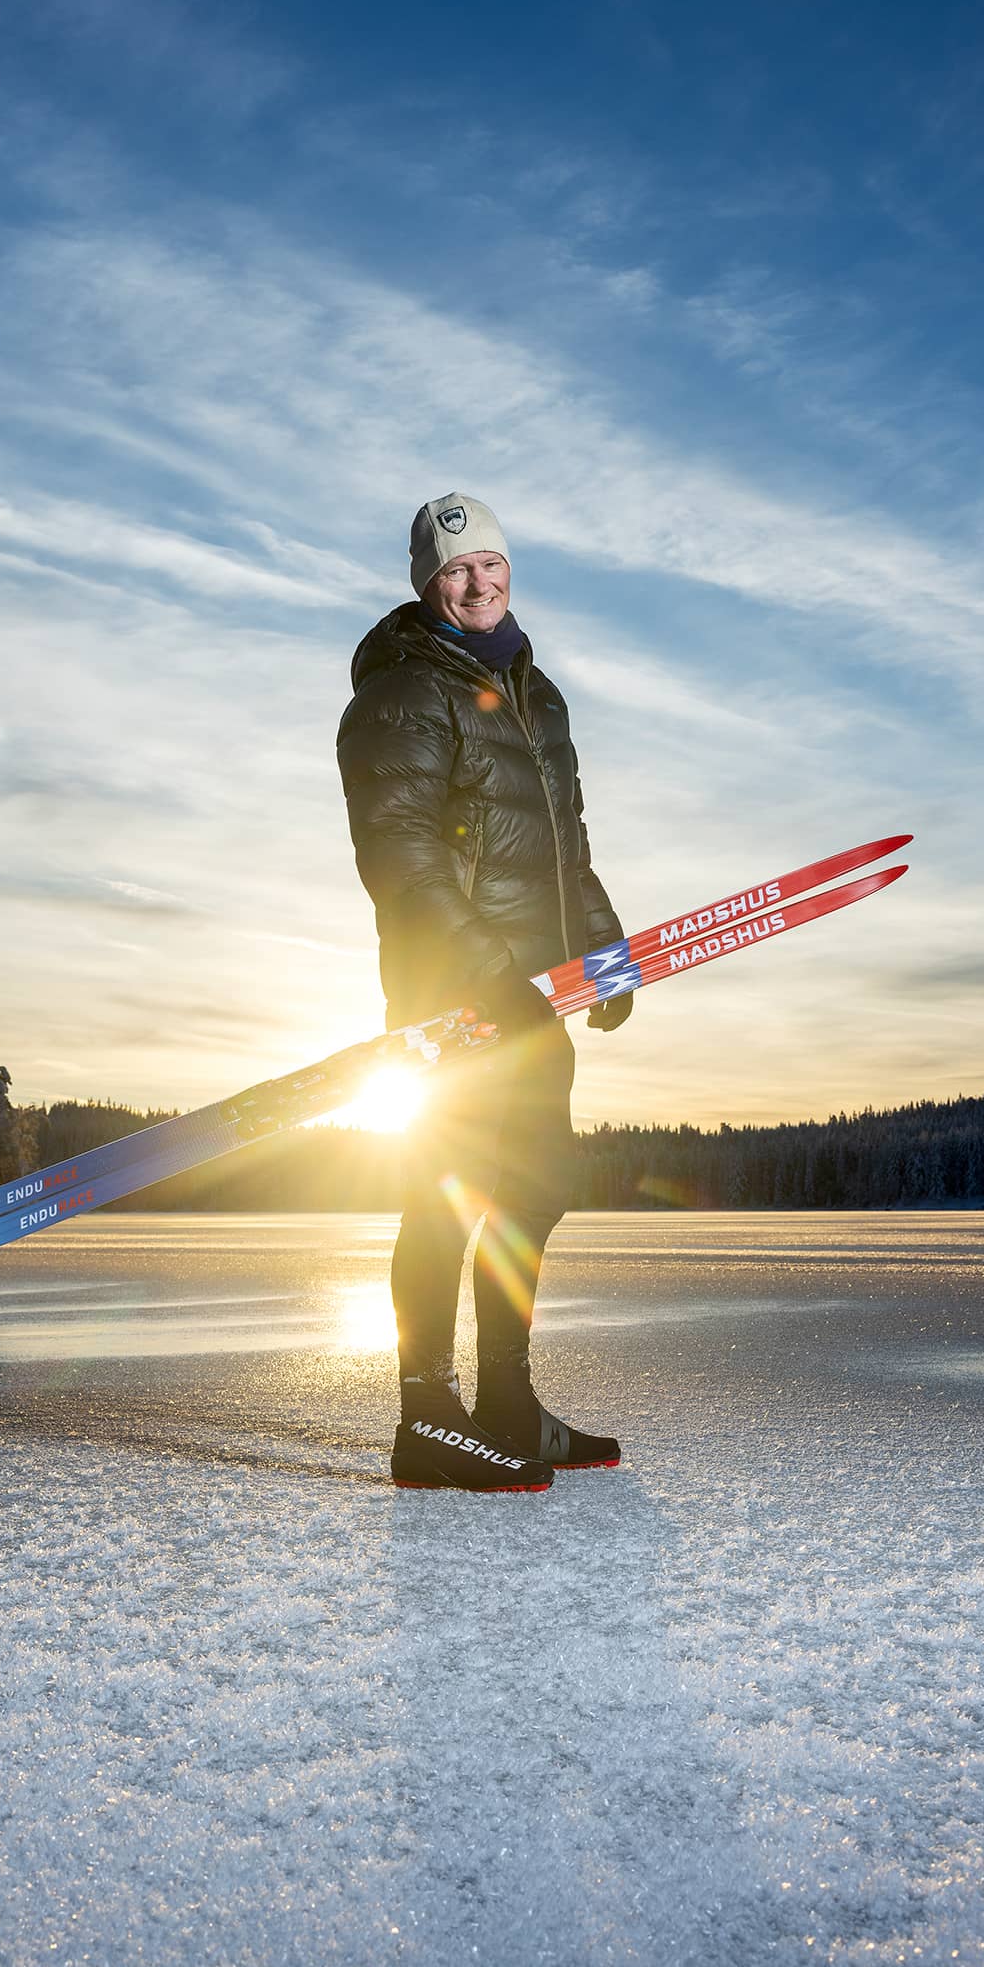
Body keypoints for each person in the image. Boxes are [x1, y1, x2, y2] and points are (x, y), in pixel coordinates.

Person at [337, 493, 632, 1494]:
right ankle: (428, 1417)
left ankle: (506, 1397)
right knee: (446, 1192)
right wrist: (482, 972)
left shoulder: (533, 693)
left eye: (489, 564)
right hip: (453, 1000)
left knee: (535, 1187)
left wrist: (597, 943)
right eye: (454, 569)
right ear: (425, 581)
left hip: (534, 993)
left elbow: (562, 842)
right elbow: (401, 857)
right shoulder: (399, 695)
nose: (476, 581)